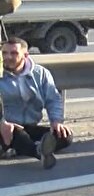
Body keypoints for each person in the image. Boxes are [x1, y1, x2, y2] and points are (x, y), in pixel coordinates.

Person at [0, 38, 71, 169]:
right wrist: (2, 122)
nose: (7, 57)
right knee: (18, 135)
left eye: (14, 53)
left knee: (65, 137)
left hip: (29, 126)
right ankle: (39, 153)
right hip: (6, 127)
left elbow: (53, 99)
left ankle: (18, 149)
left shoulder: (40, 73)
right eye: (4, 53)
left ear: (25, 55)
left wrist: (56, 121)